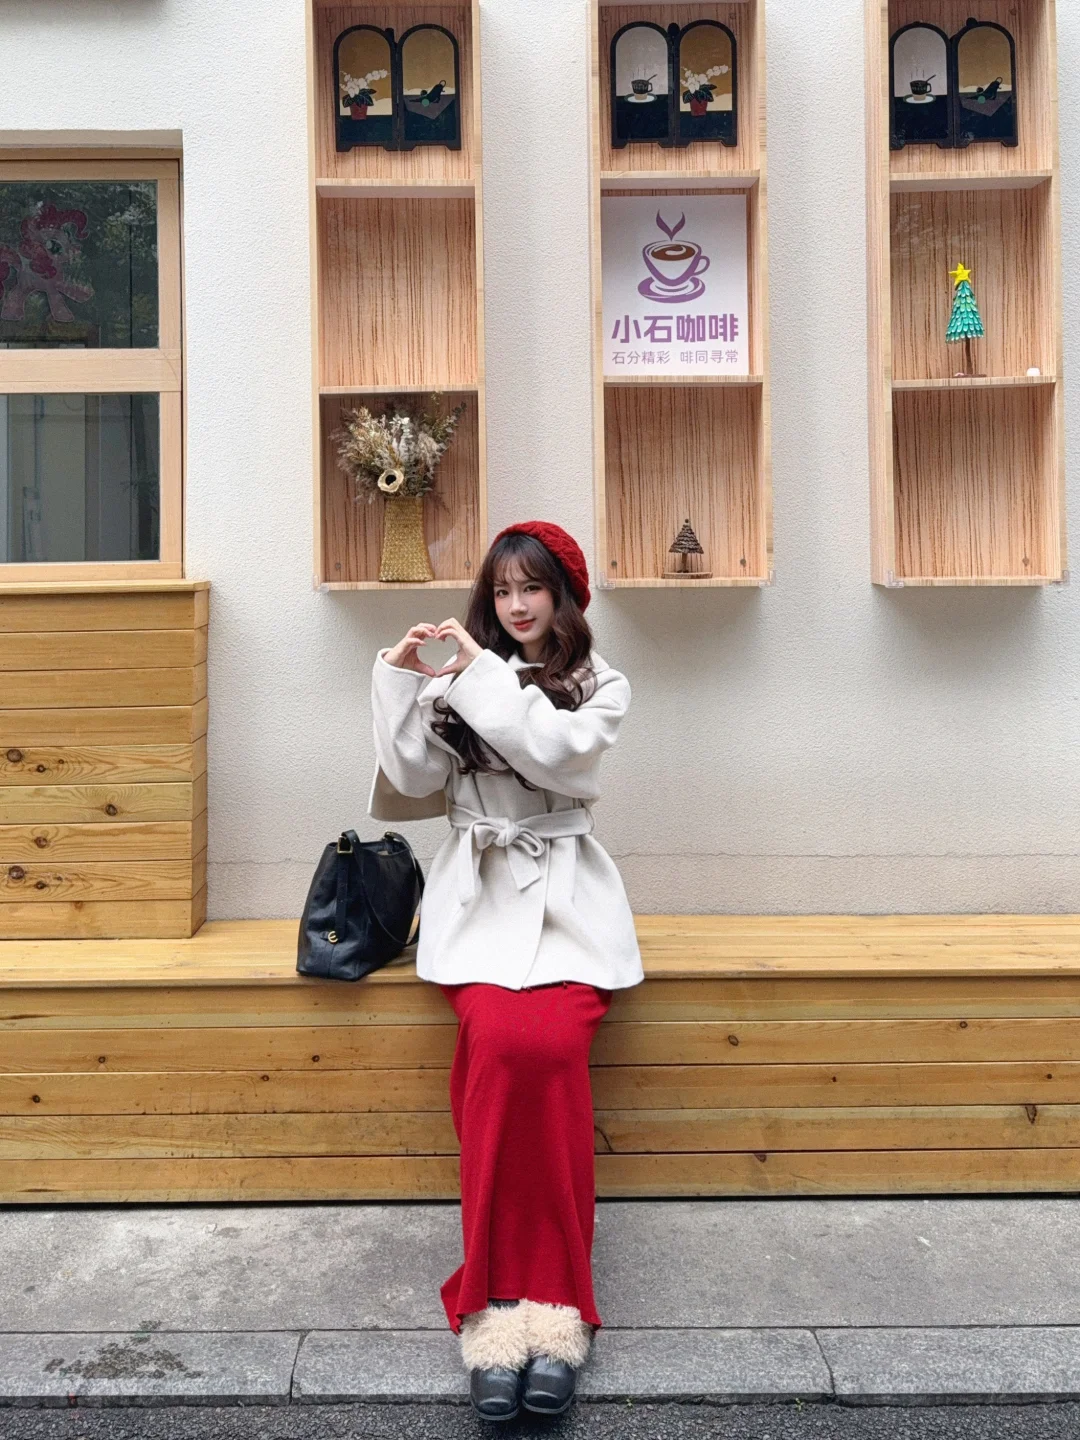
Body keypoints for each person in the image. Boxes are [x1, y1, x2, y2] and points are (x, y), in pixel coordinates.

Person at [368, 520, 644, 1421]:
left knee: (550, 1053)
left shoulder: (600, 685)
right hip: (480, 902)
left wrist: (473, 674)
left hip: (566, 907)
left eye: (533, 588)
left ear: (564, 595)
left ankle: (556, 1308)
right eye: (501, 591)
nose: (516, 605)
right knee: (496, 1049)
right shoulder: (462, 681)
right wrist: (402, 678)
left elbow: (552, 751)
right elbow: (413, 780)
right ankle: (492, 1307)